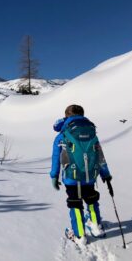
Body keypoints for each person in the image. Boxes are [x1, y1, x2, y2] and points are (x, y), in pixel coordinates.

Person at [50, 104, 112, 245]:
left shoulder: (62, 135)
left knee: (75, 203)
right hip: (90, 175)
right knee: (91, 200)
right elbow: (99, 156)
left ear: (66, 116)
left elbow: (56, 157)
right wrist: (105, 174)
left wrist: (54, 176)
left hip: (71, 177)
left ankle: (79, 235)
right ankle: (96, 227)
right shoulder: (91, 132)